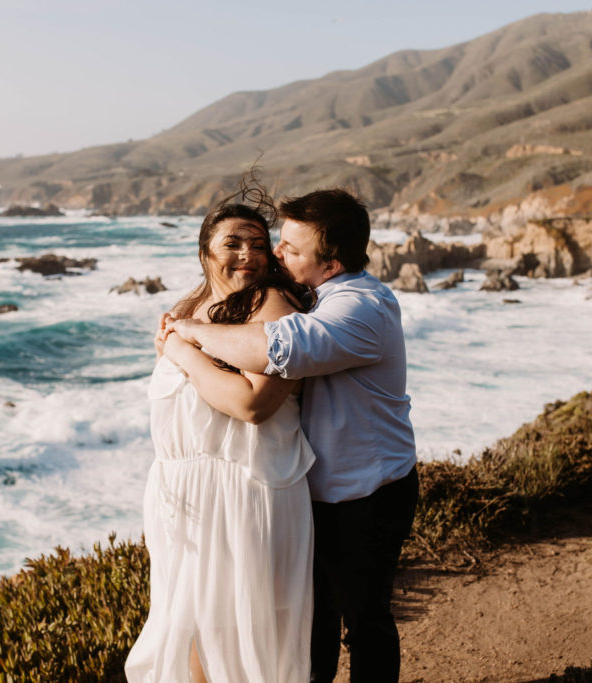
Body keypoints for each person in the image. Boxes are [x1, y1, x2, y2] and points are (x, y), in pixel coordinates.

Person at [168, 188, 419, 683]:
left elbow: (273, 348)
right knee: (314, 625)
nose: (276, 254)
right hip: (314, 490)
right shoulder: (317, 296)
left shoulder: (361, 310)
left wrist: (188, 335)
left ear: (330, 262)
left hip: (367, 493)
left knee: (365, 624)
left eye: (291, 248)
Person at [124, 185, 317, 683]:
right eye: (233, 242)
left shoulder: (272, 306)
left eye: (257, 243)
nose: (248, 254)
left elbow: (253, 404)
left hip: (245, 492)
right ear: (205, 249)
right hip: (184, 496)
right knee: (192, 634)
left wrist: (182, 352)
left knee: (237, 640)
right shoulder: (190, 308)